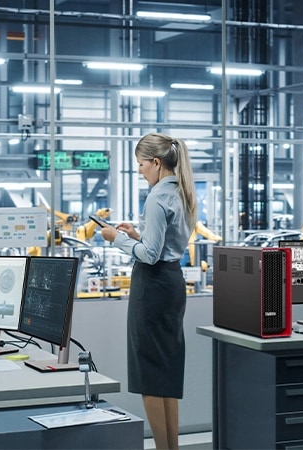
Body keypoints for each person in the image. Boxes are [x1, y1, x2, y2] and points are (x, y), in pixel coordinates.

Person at [99, 133, 197, 449]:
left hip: (152, 285)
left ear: (156, 163)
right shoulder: (183, 193)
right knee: (165, 371)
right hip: (172, 283)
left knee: (149, 375)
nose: (140, 170)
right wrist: (137, 234)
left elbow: (150, 254)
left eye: (141, 164)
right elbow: (164, 244)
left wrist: (117, 238)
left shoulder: (156, 197)